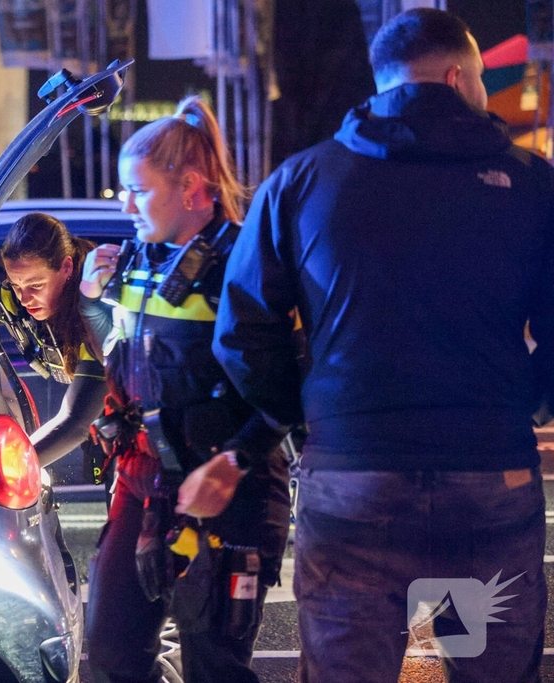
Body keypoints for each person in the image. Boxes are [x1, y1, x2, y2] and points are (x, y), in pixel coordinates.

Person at [200, 8, 554, 683]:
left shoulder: (302, 181)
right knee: (485, 667)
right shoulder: (533, 183)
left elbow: (242, 332)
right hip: (486, 481)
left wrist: (314, 413)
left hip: (355, 483)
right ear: (458, 78)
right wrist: (530, 402)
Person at [79, 95, 290, 683]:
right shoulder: (137, 259)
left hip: (230, 493)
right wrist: (94, 300)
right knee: (112, 654)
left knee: (214, 668)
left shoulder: (245, 264)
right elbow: (120, 355)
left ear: (192, 187)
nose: (125, 205)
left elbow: (289, 390)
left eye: (138, 190)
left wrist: (233, 462)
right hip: (145, 485)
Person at [0, 212, 107, 468]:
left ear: (66, 268)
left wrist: (9, 468)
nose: (25, 299)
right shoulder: (14, 298)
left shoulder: (96, 314)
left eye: (36, 286)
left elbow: (76, 422)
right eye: (16, 285)